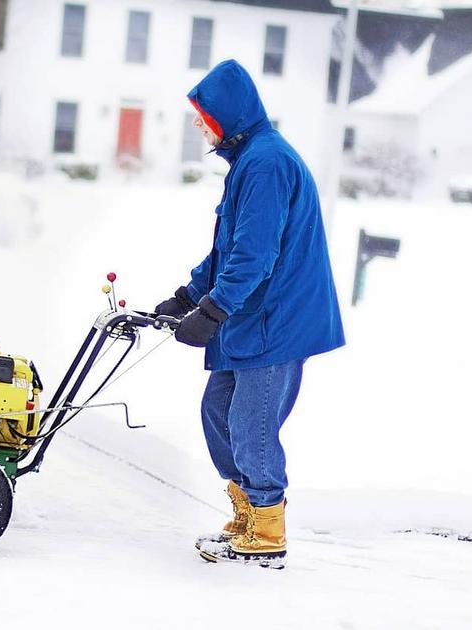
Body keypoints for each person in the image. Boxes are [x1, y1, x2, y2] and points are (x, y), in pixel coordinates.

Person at [155, 60, 345, 569]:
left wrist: (212, 311)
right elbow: (230, 247)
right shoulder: (250, 159)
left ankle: (266, 533)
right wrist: (188, 294)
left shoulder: (266, 164)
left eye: (203, 116)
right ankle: (247, 513)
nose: (199, 125)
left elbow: (254, 256)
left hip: (277, 319)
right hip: (255, 313)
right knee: (218, 411)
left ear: (228, 115)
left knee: (251, 423)